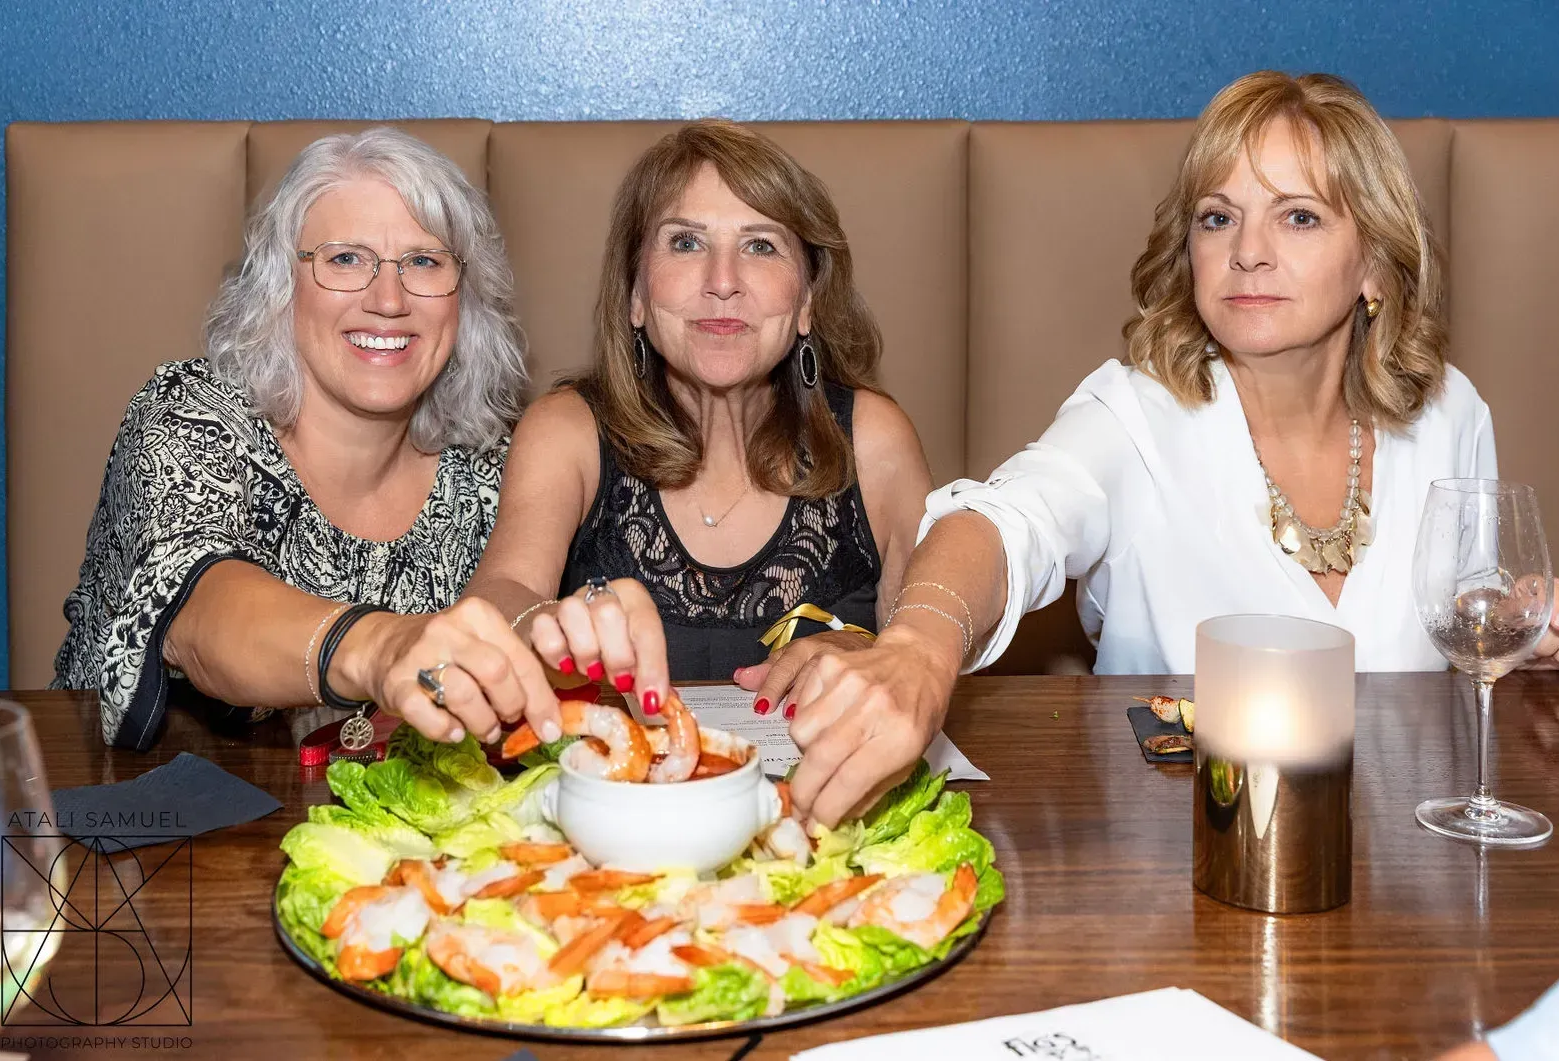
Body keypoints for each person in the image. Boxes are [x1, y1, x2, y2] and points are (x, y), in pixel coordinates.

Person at [773, 71, 1559, 826]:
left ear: (1375, 268)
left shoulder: (1447, 414)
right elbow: (1000, 521)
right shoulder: (1134, 414)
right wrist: (917, 645)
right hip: (1178, 874)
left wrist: (1522, 647)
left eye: (1297, 216)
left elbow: (1465, 638)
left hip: (1406, 882)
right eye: (1217, 218)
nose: (1246, 250)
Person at [55, 127, 560, 751]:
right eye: (345, 258)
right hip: (118, 818)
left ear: (465, 300)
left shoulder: (488, 473)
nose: (389, 299)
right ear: (279, 287)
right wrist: (382, 647)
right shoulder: (186, 419)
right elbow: (201, 618)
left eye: (424, 261)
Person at [462, 119, 932, 741]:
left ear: (808, 301)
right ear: (634, 292)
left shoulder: (875, 439)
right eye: (685, 243)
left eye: (761, 245)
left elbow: (932, 639)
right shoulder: (566, 431)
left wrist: (875, 659)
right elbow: (505, 588)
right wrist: (539, 626)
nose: (722, 281)